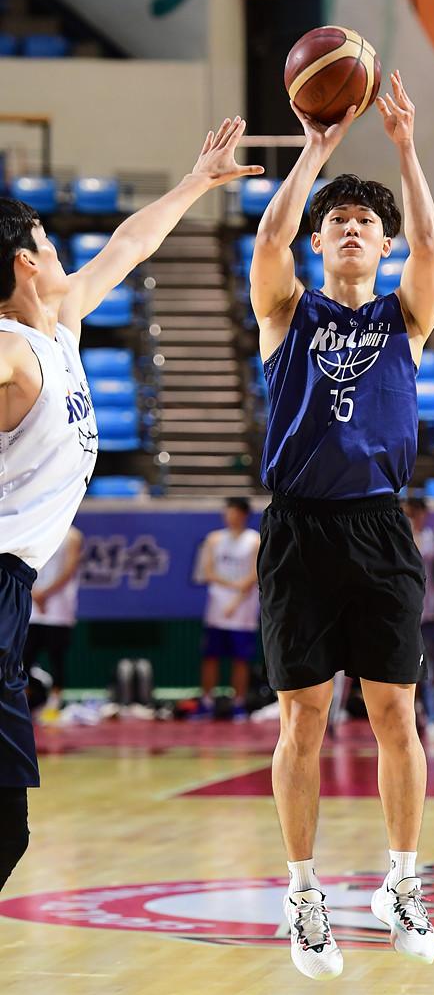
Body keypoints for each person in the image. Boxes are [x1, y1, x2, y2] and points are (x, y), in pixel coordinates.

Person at [0, 114, 263, 891]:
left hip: (11, 590)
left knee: (8, 830)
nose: (63, 252)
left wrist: (196, 183)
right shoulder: (10, 348)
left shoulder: (62, 326)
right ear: (24, 263)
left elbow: (129, 245)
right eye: (50, 243)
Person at [250, 70, 434, 978]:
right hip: (299, 529)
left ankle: (402, 881)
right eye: (338, 221)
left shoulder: (408, 319)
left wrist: (406, 148)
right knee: (305, 717)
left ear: (383, 242)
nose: (353, 228)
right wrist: (314, 151)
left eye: (366, 221)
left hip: (379, 527)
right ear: (320, 241)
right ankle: (302, 895)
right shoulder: (288, 311)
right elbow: (269, 237)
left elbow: (431, 241)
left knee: (396, 710)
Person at [199, 498, 260, 719]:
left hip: (243, 611)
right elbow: (208, 572)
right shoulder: (214, 539)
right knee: (210, 657)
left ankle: (239, 704)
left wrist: (236, 599)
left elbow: (254, 575)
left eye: (233, 512)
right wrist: (232, 587)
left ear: (243, 514)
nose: (229, 516)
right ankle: (206, 703)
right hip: (217, 609)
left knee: (241, 660)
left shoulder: (254, 540)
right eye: (227, 512)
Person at [23, 525, 83, 713]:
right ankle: (24, 702)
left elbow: (69, 569)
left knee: (57, 658)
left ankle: (54, 704)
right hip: (32, 607)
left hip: (58, 609)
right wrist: (33, 592)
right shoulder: (35, 529)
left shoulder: (73, 536)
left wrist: (45, 593)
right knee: (24, 658)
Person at [403, 496, 434, 743]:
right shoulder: (396, 536)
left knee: (431, 671)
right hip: (404, 618)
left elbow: (424, 556)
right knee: (407, 674)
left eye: (415, 514)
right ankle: (411, 717)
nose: (412, 519)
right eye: (407, 514)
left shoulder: (429, 538)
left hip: (428, 616)